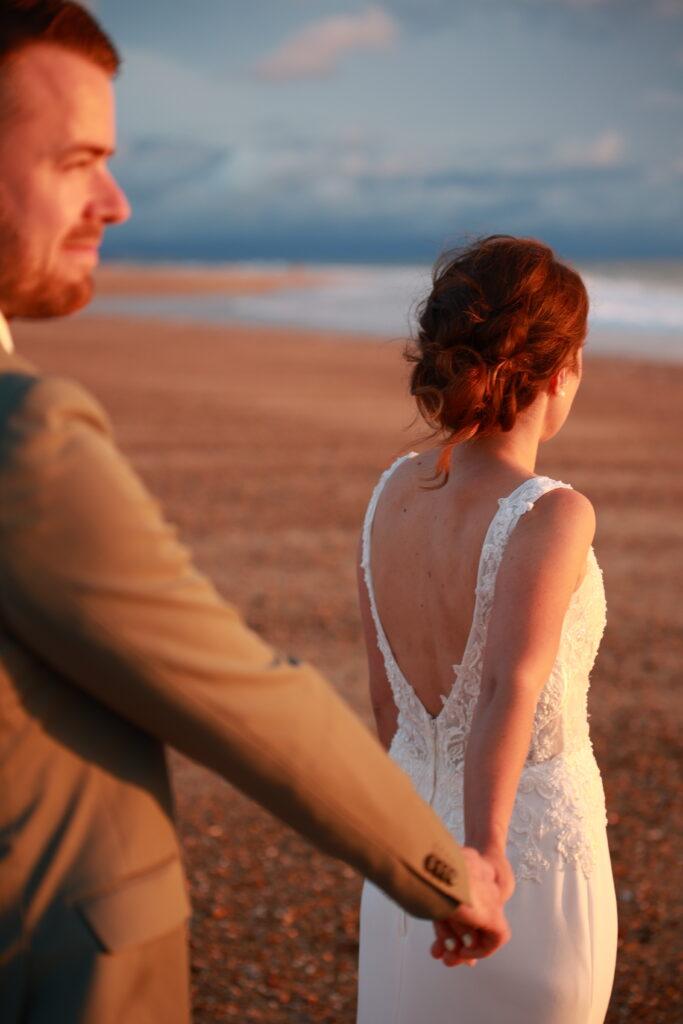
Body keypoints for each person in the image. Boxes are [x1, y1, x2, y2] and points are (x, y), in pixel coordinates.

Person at [0, 4, 510, 1022]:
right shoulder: (26, 438)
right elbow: (228, 687)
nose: (115, 202)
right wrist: (443, 870)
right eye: (76, 161)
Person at [356, 235, 618, 1023]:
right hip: (523, 864)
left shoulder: (391, 493)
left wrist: (423, 850)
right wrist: (486, 855)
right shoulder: (551, 513)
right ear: (557, 369)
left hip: (409, 858)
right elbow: (509, 687)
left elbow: (387, 704)